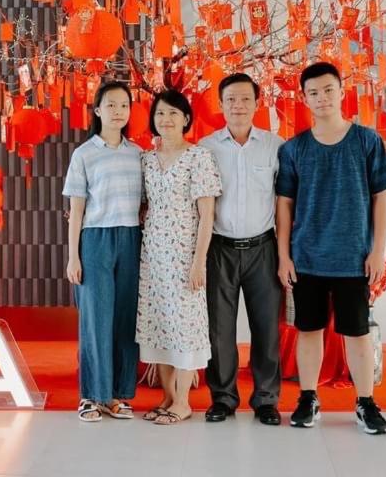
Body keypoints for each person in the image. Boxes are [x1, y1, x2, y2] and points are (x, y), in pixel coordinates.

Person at [276, 61, 386, 435]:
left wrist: (377, 251)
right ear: (304, 99)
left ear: (342, 92)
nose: (322, 98)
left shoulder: (366, 141)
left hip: (353, 258)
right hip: (306, 257)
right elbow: (284, 205)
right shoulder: (294, 149)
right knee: (308, 330)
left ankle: (366, 402)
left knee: (358, 332)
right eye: (313, 92)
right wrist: (283, 255)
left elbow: (382, 197)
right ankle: (308, 398)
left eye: (328, 90)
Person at [199, 73, 285, 426]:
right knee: (219, 329)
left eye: (245, 99)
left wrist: (285, 254)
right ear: (220, 104)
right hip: (219, 248)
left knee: (266, 327)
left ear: (257, 103)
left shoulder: (275, 146)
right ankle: (223, 397)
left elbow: (285, 203)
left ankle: (266, 399)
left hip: (263, 248)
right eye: (231, 99)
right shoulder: (205, 148)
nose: (238, 105)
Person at [135, 89, 221, 425]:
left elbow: (207, 215)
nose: (166, 119)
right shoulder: (146, 160)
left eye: (173, 113)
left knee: (186, 327)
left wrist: (199, 262)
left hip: (185, 257)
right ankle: (168, 397)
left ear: (186, 118)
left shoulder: (198, 157)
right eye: (160, 113)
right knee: (160, 326)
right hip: (153, 257)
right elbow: (141, 205)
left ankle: (183, 401)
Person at [63, 81, 143, 422]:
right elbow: (76, 210)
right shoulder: (84, 154)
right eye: (110, 105)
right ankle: (91, 396)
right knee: (96, 319)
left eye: (124, 105)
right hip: (95, 239)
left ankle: (117, 395)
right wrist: (73, 256)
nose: (118, 111)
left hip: (131, 237)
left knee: (125, 318)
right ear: (97, 111)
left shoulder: (138, 154)